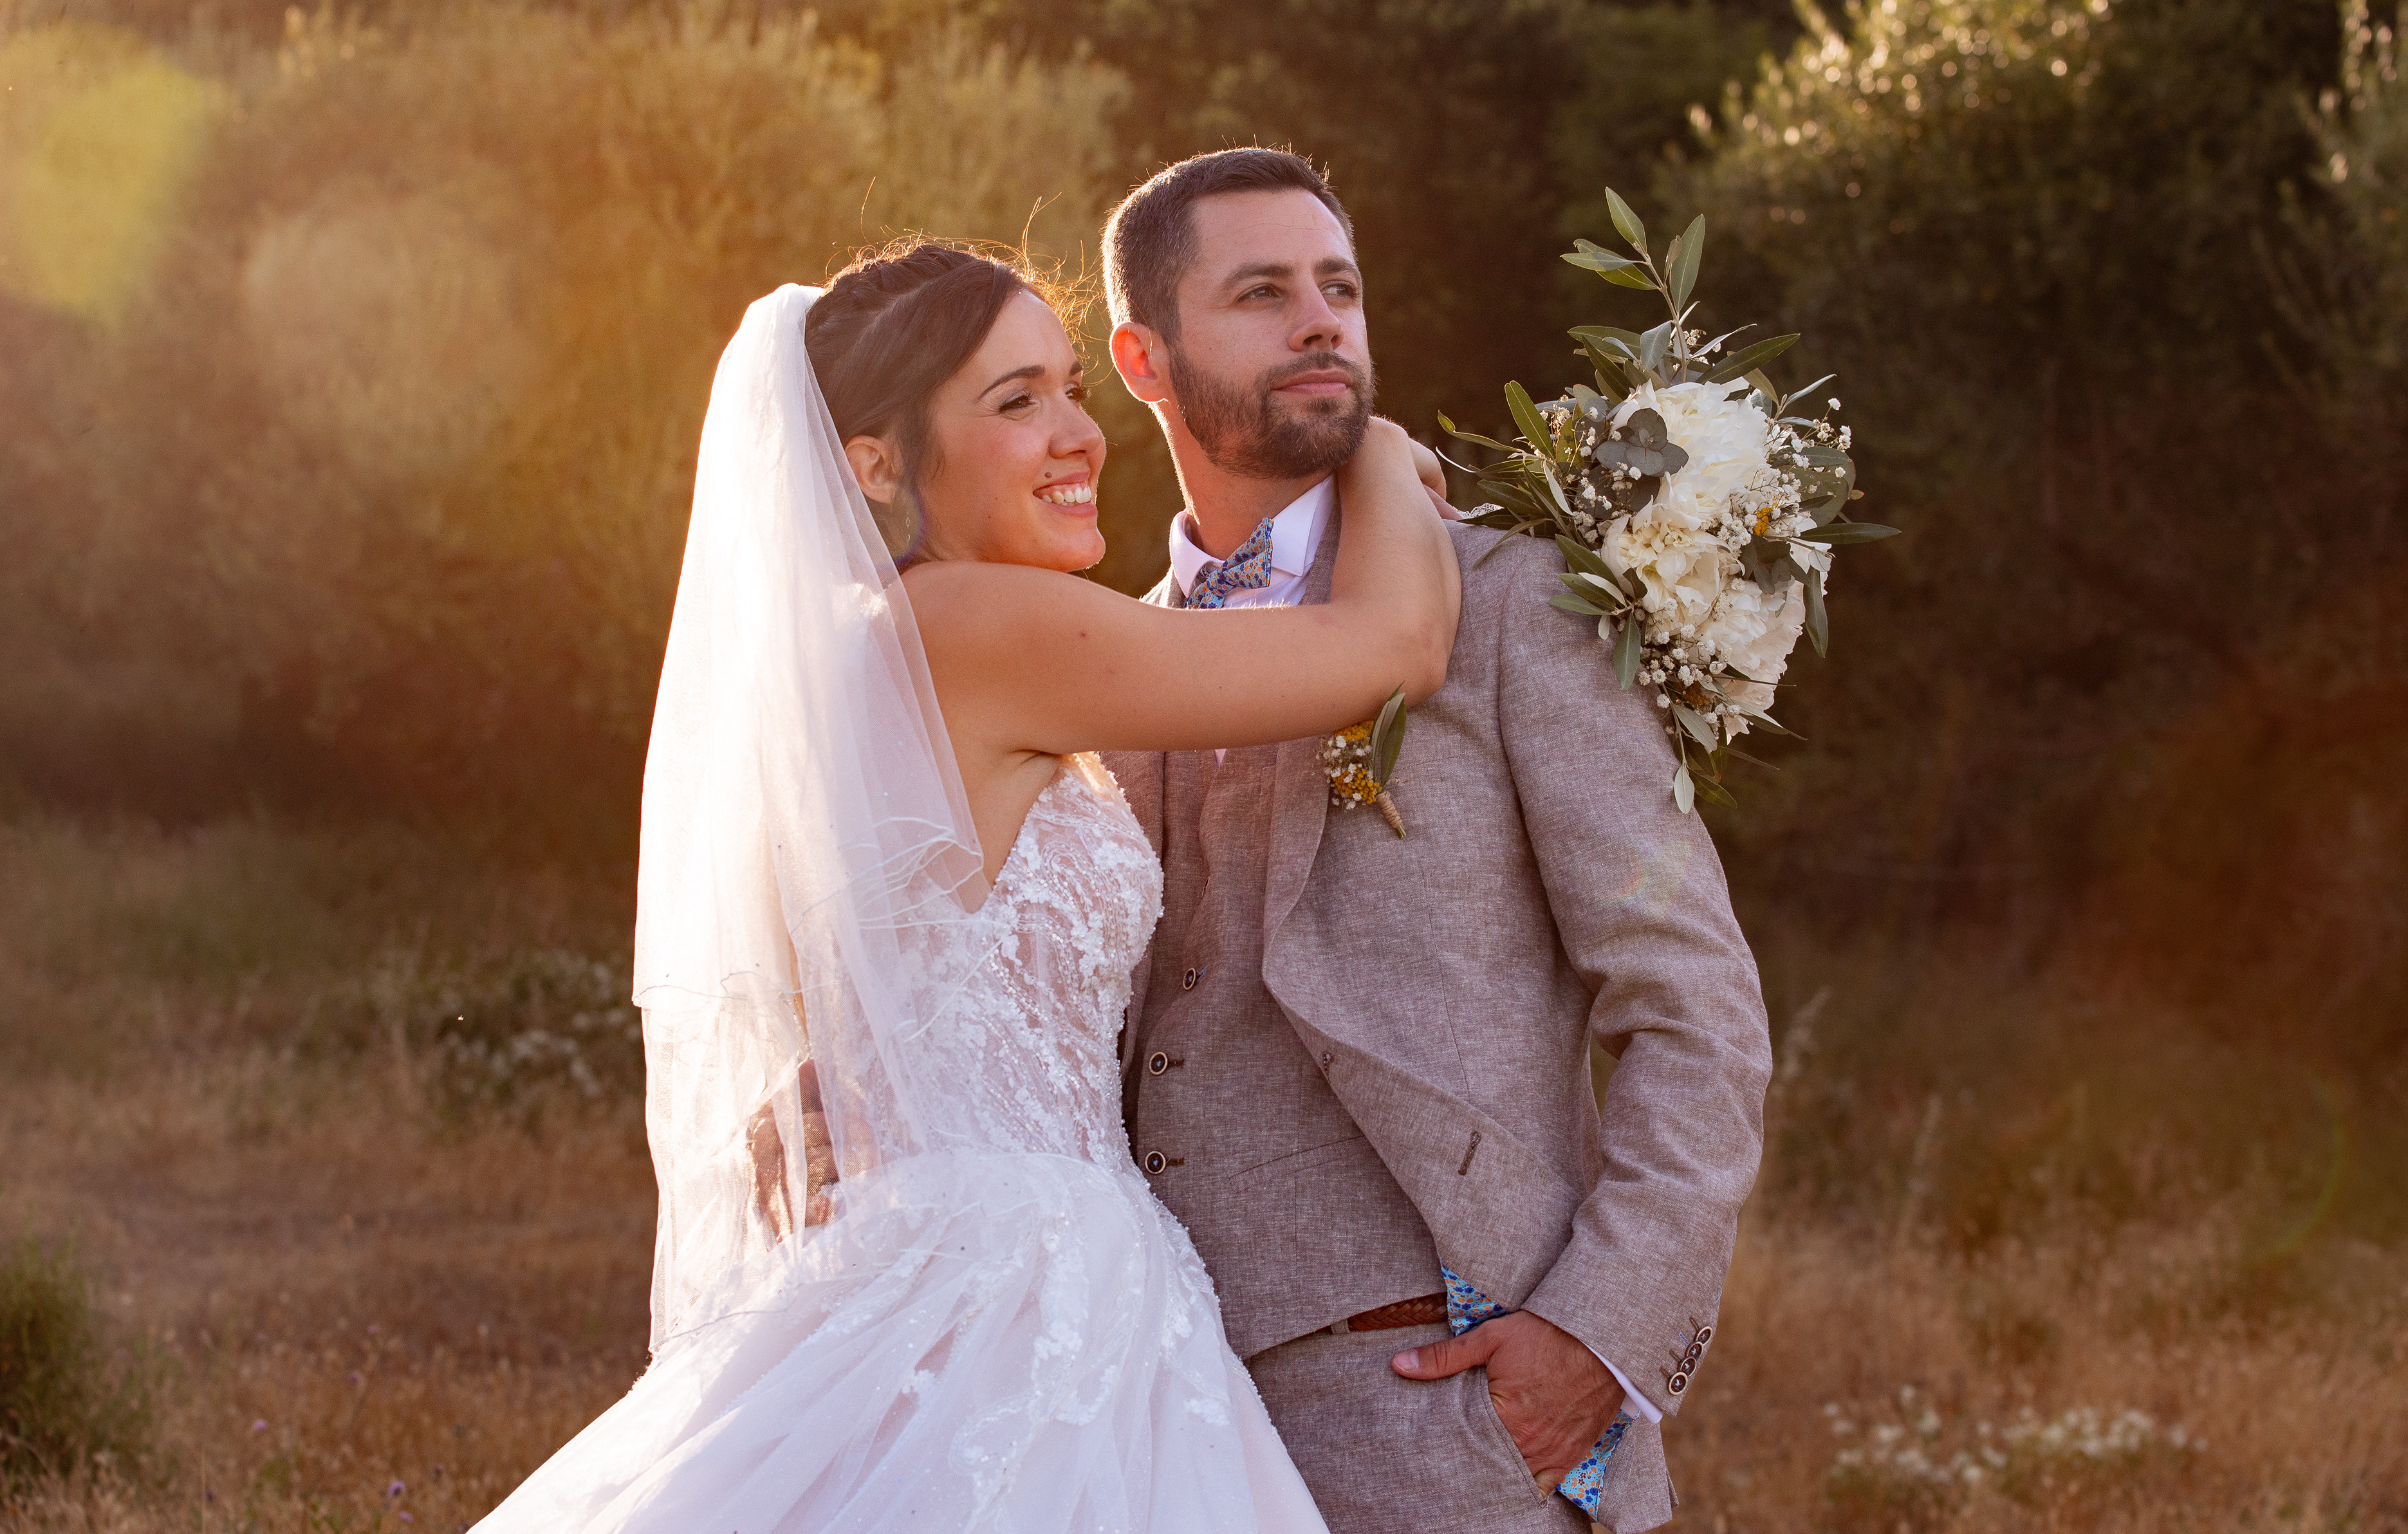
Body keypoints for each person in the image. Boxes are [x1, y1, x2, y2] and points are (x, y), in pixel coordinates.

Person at [470, 242, 1459, 1534]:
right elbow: (1396, 646)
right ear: (877, 465)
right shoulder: (978, 626)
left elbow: (922, 953)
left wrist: (850, 1066)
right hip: (1022, 1293)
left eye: (1070, 389)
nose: (1077, 435)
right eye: (1015, 402)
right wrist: (1371, 448)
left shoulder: (867, 642)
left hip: (955, 1242)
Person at [1098, 148, 1772, 1534]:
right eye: (1263, 293)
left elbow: (1694, 1005)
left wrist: (1597, 1332)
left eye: (1340, 288)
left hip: (1457, 1412)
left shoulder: (1516, 603)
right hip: (1149, 1421)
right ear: (1143, 359)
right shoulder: (1095, 667)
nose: (1320, 322)